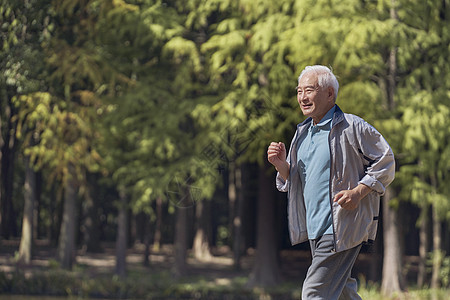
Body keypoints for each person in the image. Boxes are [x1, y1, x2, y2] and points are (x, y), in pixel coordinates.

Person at [267, 65, 395, 300]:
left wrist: (358, 191)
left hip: (341, 226)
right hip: (315, 227)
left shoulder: (351, 126)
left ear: (329, 94)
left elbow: (386, 161)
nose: (302, 97)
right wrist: (281, 165)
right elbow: (297, 181)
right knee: (343, 291)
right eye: (299, 91)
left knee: (314, 292)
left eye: (309, 90)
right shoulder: (302, 133)